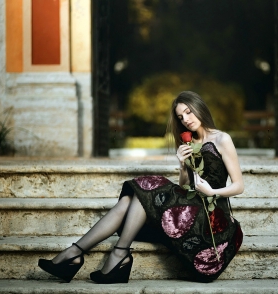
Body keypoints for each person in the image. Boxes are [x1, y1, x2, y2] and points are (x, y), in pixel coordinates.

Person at [38, 91, 244, 283]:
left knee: (149, 188)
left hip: (212, 213)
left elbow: (239, 186)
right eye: (181, 117)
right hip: (190, 204)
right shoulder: (188, 143)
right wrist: (182, 164)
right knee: (133, 198)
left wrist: (212, 192)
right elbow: (185, 185)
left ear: (200, 108)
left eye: (188, 112)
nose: (186, 119)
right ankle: (85, 254)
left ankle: (90, 256)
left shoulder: (222, 139)